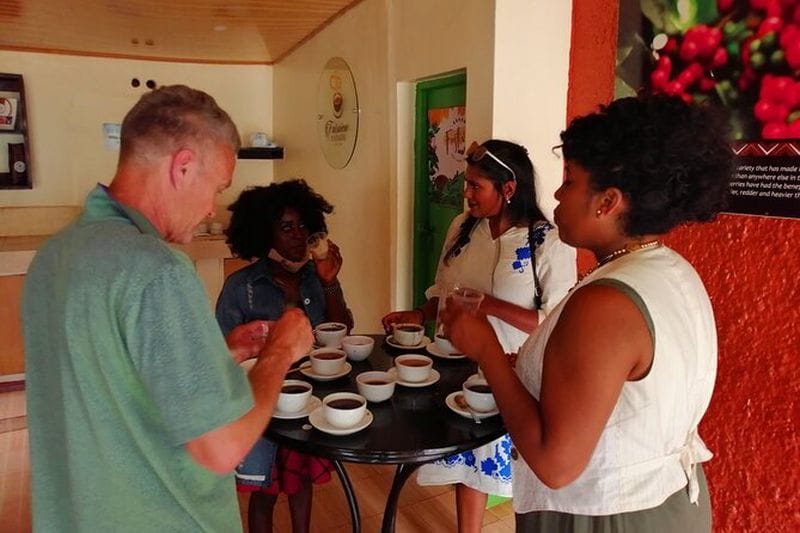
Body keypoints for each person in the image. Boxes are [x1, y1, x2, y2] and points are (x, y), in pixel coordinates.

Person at [22, 85, 313, 532]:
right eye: (216, 188)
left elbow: (111, 382)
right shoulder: (156, 269)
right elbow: (221, 448)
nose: (211, 208)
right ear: (182, 166)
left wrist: (220, 355)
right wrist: (280, 352)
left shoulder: (53, 257)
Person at [441, 95, 733, 532]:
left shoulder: (606, 303)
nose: (556, 194)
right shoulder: (671, 271)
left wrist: (485, 349)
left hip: (605, 517)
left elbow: (555, 464)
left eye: (570, 180)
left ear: (607, 201)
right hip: (671, 502)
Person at [382, 139, 576, 532]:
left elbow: (555, 322)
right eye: (466, 184)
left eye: (475, 186)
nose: (465, 194)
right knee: (469, 463)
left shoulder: (546, 243)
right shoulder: (462, 231)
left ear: (508, 189)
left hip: (514, 376)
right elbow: (442, 292)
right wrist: (418, 314)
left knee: (519, 472)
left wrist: (489, 306)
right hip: (456, 367)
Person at [216, 179, 354, 533]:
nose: (298, 235)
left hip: (308, 402)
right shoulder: (241, 289)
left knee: (301, 484)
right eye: (286, 227)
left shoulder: (315, 277)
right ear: (264, 235)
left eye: (303, 226)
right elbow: (223, 359)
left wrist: (329, 282)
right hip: (262, 407)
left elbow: (342, 331)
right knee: (263, 491)